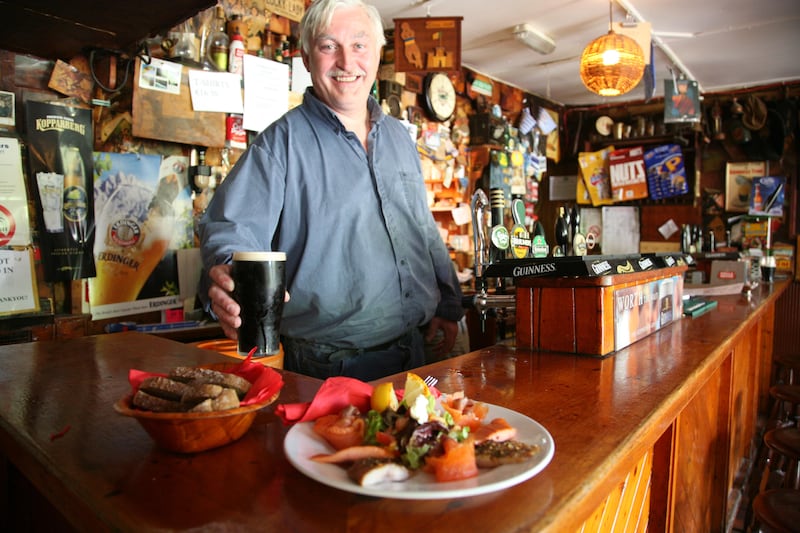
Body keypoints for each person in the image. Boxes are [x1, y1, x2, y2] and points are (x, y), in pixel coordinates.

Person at [199, 0, 464, 381]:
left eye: (359, 45)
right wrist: (231, 280)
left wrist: (449, 303)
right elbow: (231, 231)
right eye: (328, 46)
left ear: (377, 53)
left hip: (415, 352)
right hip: (327, 366)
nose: (346, 62)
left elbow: (420, 228)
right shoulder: (280, 144)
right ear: (306, 58)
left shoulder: (399, 138)